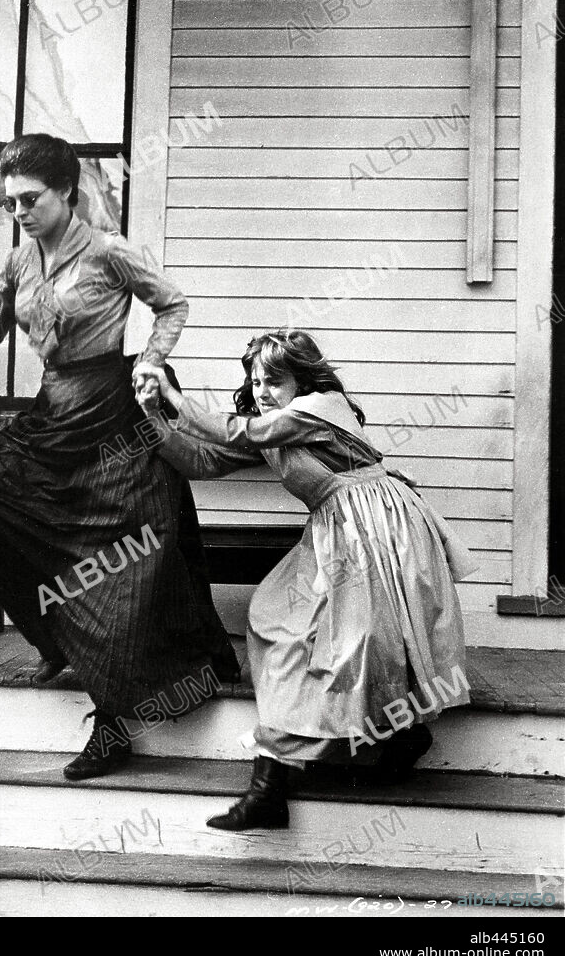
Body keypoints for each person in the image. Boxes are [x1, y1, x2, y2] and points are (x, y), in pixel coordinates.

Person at [0, 133, 239, 781]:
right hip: (53, 414)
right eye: (10, 203)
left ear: (66, 192)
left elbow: (172, 303)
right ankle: (52, 636)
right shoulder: (19, 261)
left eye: (30, 200)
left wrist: (149, 361)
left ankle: (113, 727)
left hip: (115, 415)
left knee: (122, 568)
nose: (20, 212)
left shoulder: (111, 253)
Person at [135, 329, 476, 830]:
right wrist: (151, 416)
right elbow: (204, 460)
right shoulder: (277, 427)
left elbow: (235, 433)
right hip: (341, 531)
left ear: (304, 377)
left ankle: (308, 772)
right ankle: (372, 748)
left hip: (378, 528)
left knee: (359, 641)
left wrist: (170, 394)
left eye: (274, 379)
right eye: (255, 381)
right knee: (284, 621)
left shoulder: (322, 406)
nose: (262, 390)